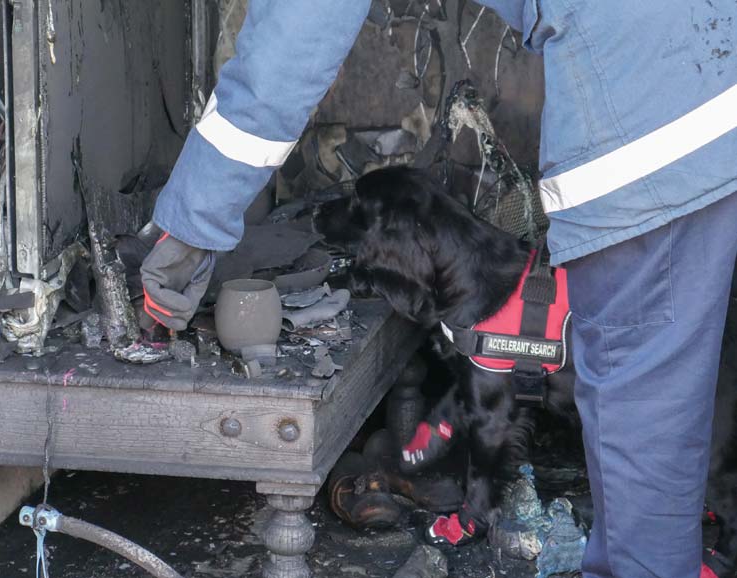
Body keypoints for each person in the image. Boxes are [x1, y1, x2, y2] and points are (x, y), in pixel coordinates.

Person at [138, 1, 737, 576]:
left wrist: (191, 226)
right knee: (660, 399)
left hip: (653, 108)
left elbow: (291, 41)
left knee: (641, 419)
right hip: (710, 68)